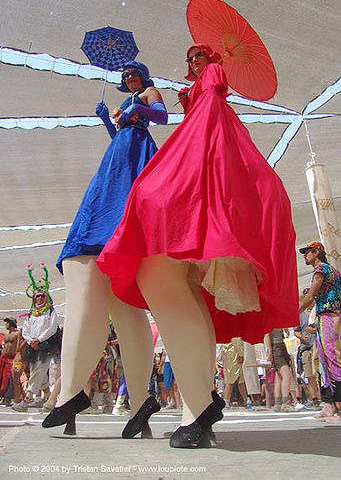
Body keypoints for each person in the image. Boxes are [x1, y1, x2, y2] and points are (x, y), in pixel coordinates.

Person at [97, 43, 299, 448]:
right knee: (184, 288)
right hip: (168, 151)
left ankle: (200, 406)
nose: (191, 63)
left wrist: (156, 106)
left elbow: (170, 117)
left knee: (163, 273)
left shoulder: (206, 95)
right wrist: (113, 118)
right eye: (188, 59)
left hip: (200, 153)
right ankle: (197, 409)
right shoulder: (192, 99)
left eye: (198, 57)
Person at [43, 61, 167, 435]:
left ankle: (77, 395)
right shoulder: (126, 105)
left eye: (133, 73)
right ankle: (139, 403)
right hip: (119, 158)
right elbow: (120, 137)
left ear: (143, 75)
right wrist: (107, 120)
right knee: (123, 306)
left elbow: (160, 116)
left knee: (123, 300)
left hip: (137, 158)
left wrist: (136, 108)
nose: (129, 78)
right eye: (125, 75)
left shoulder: (147, 94)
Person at [298, 241, 341, 422]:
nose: (304, 256)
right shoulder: (329, 270)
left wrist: (294, 314)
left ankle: (338, 407)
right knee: (324, 362)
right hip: (328, 317)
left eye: (307, 252)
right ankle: (330, 404)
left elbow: (311, 296)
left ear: (316, 253)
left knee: (333, 360)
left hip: (330, 317)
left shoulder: (321, 269)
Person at [13, 264, 61, 411]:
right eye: (37, 296)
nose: (39, 298)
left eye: (41, 296)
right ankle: (47, 399)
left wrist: (38, 340)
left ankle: (26, 400)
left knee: (38, 371)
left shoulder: (51, 312)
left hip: (45, 345)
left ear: (46, 297)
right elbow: (25, 329)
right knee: (36, 370)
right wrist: (30, 340)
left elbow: (52, 328)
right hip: (32, 346)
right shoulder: (31, 314)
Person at [294, 289, 320, 409]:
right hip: (306, 348)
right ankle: (314, 398)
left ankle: (323, 397)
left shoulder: (317, 310)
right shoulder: (301, 315)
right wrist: (302, 337)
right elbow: (296, 331)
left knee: (319, 373)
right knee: (309, 375)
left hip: (317, 346)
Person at [264, 329, 297, 412]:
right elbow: (266, 334)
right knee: (286, 375)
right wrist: (270, 351)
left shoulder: (277, 319)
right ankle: (286, 402)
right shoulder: (269, 318)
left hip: (281, 346)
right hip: (276, 347)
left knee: (279, 377)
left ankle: (278, 403)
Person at [218, 338, 247, 407]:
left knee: (239, 379)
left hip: (229, 352)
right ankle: (226, 400)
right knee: (231, 378)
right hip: (233, 354)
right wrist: (241, 354)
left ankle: (245, 399)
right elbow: (236, 340)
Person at [0, 317, 19, 404]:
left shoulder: (17, 334)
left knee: (9, 378)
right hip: (4, 358)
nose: (6, 325)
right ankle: (3, 396)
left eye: (7, 323)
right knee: (2, 378)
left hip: (12, 359)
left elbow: (18, 346)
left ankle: (9, 397)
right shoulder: (6, 335)